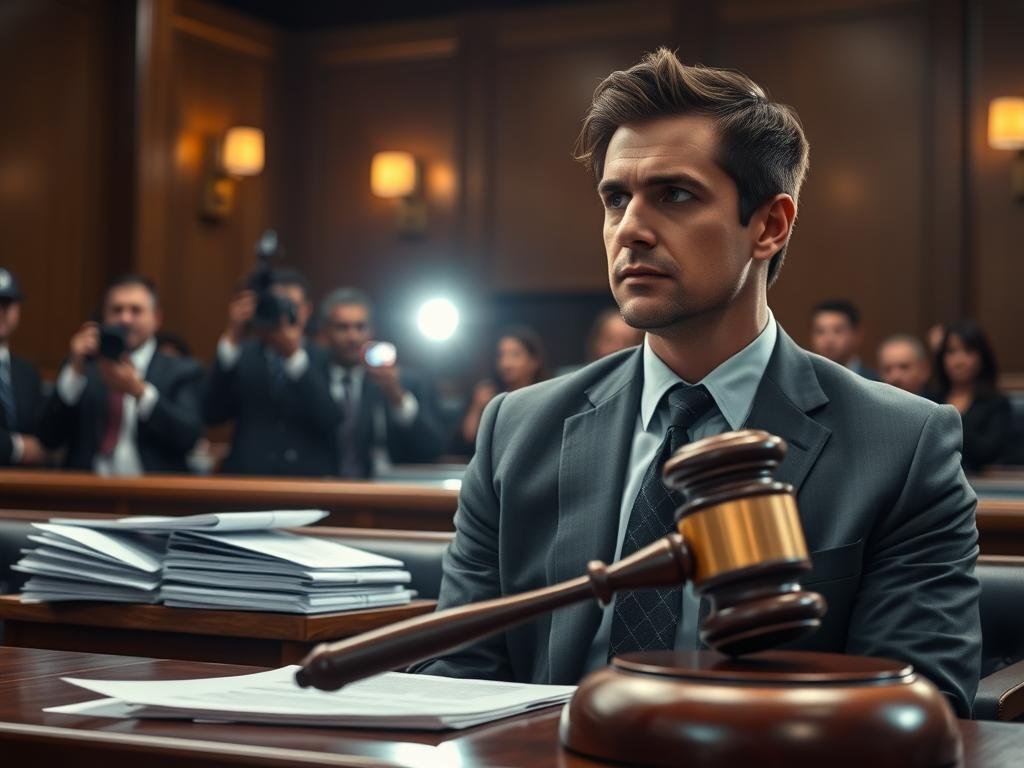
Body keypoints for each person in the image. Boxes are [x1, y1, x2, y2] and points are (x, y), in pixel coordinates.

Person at [414, 49, 980, 717]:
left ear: (769, 226)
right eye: (615, 199)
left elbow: (917, 708)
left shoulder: (903, 444)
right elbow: (456, 677)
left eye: (674, 195)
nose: (630, 229)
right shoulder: (516, 429)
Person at [37, 275, 203, 474]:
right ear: (103, 317)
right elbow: (48, 438)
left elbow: (189, 437)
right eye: (117, 310)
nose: (125, 319)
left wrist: (140, 392)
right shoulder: (84, 367)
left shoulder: (181, 370)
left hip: (154, 487)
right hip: (86, 486)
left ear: (157, 319)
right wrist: (74, 372)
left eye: (136, 310)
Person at [203, 269, 342, 476]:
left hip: (307, 480)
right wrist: (232, 337)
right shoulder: (241, 355)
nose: (282, 314)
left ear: (307, 310)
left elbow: (331, 419)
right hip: (248, 479)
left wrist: (293, 356)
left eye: (290, 306)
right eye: (275, 306)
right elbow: (212, 415)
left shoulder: (325, 357)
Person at [319, 287, 444, 478]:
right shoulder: (309, 377)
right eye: (342, 327)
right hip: (320, 485)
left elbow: (432, 447)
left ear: (372, 331)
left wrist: (397, 397)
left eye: (360, 327)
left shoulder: (406, 382)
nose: (352, 337)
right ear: (326, 332)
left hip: (384, 489)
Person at [934, 320, 1012, 472]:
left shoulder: (996, 403)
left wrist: (951, 421)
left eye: (968, 351)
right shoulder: (931, 400)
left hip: (981, 482)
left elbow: (988, 452)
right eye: (951, 352)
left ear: (982, 357)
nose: (958, 361)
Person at [456, 327, 546, 453]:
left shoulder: (546, 396)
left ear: (534, 361)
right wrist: (477, 408)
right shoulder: (487, 393)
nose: (505, 363)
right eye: (501, 355)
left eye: (515, 354)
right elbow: (466, 441)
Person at [0, 268, 45, 466]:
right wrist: (18, 447)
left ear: (17, 310)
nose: (1, 311)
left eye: (7, 303)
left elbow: (44, 436)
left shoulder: (27, 372)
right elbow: (29, 447)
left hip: (24, 480)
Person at [809, 299, 878, 380]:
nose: (828, 339)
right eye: (820, 331)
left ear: (857, 335)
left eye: (838, 331)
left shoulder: (874, 382)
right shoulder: (804, 380)